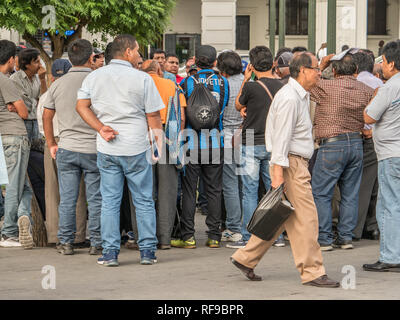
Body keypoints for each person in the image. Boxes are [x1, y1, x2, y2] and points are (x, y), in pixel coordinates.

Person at [231, 52, 340, 288]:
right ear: (302, 71)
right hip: (291, 163)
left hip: (292, 162)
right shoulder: (291, 97)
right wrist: (278, 175)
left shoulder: (298, 95)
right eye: (315, 69)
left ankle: (246, 258)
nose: (319, 73)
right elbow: (281, 138)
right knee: (307, 220)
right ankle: (312, 271)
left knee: (281, 215)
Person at [76, 34, 164, 266]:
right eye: (136, 51)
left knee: (110, 201)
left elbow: (81, 106)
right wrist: (158, 144)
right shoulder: (142, 79)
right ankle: (147, 252)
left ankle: (111, 253)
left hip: (108, 147)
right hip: (136, 145)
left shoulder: (94, 77)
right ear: (127, 52)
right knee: (143, 200)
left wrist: (100, 127)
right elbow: (153, 115)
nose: (139, 55)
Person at [42, 39, 102, 255]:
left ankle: (66, 242)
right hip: (93, 149)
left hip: (66, 148)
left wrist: (51, 143)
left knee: (67, 199)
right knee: (96, 199)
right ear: (91, 58)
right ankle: (96, 242)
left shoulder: (58, 83)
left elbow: (47, 115)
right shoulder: (97, 81)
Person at [310, 52, 374, 251]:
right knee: (350, 193)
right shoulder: (366, 89)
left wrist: (321, 66)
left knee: (322, 193)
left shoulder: (325, 86)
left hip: (331, 144)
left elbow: (308, 84)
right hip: (356, 143)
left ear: (334, 71)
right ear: (356, 71)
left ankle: (324, 238)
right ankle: (345, 237)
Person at [172, 45, 229, 249]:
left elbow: (183, 113)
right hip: (215, 142)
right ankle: (214, 236)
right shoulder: (223, 83)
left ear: (196, 61)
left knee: (189, 190)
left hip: (191, 143)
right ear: (215, 62)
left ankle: (188, 236)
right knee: (214, 190)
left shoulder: (187, 82)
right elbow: (221, 109)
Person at [227, 46, 283, 249]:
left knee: (249, 191)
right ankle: (277, 236)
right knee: (273, 190)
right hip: (274, 144)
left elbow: (237, 105)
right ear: (273, 63)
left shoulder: (251, 87)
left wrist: (245, 78)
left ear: (251, 64)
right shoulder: (283, 85)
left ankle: (248, 235)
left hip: (251, 142)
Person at [37, 59, 89, 246]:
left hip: (50, 142)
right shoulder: (77, 91)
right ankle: (77, 236)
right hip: (71, 141)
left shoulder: (47, 94)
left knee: (52, 191)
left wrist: (50, 142)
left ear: (52, 76)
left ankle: (54, 235)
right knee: (77, 192)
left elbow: (43, 120)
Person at [363, 40, 400, 272]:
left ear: (392, 63)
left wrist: (375, 95)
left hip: (390, 153)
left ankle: (390, 256)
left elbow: (369, 117)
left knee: (389, 205)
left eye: (384, 61)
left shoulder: (390, 87)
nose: (382, 66)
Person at [142, 59, 186, 249]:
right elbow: (181, 117)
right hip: (168, 136)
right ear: (159, 70)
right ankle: (165, 239)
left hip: (143, 136)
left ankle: (143, 236)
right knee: (167, 191)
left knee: (143, 191)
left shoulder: (139, 84)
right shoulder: (172, 85)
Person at [0, 40, 33, 249]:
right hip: (15, 136)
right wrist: (14, 105)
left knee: (23, 186)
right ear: (11, 59)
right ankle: (9, 232)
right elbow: (24, 112)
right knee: (15, 185)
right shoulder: (6, 81)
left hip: (3, 136)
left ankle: (23, 218)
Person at [352, 51, 383, 241]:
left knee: (358, 185)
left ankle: (353, 229)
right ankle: (372, 227)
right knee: (373, 184)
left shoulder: (354, 84)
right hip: (376, 139)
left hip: (358, 137)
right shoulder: (380, 85)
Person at [216, 50, 244, 244]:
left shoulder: (222, 84)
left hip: (227, 136)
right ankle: (246, 225)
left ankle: (234, 227)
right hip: (247, 136)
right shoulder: (248, 82)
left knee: (230, 184)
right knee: (246, 185)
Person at [10, 48, 47, 142]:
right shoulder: (15, 79)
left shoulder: (38, 78)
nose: (40, 65)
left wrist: (43, 80)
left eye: (40, 61)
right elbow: (26, 105)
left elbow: (45, 100)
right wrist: (38, 102)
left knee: (37, 154)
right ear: (27, 64)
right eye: (36, 62)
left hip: (36, 122)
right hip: (23, 123)